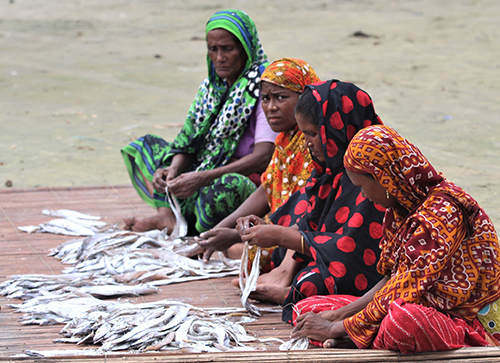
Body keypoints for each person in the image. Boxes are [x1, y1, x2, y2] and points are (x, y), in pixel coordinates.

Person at [291, 124, 500, 353]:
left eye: (362, 187)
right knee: (307, 309)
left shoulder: (442, 212)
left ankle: (361, 336)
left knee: (404, 324)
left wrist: (336, 328)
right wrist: (340, 315)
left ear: (384, 179)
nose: (363, 196)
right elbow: (394, 278)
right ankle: (363, 335)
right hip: (405, 302)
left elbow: (404, 290)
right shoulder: (401, 209)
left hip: (464, 320)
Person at [236, 80, 386, 323]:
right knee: (287, 243)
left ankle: (289, 292)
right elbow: (312, 223)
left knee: (310, 283)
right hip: (332, 251)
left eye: (314, 134)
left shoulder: (373, 173)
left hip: (367, 266)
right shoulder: (329, 169)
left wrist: (279, 236)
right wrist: (268, 230)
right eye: (303, 133)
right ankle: (286, 278)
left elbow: (353, 252)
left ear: (339, 129)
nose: (306, 143)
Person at [121, 9, 278, 234]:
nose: (220, 58)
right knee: (147, 147)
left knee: (229, 188)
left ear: (246, 49)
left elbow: (263, 156)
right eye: (213, 49)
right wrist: (172, 170)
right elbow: (189, 141)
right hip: (201, 172)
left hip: (235, 178)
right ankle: (167, 217)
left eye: (228, 49)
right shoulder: (210, 88)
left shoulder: (263, 88)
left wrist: (202, 177)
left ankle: (204, 232)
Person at [192, 58, 319, 272]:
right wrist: (217, 230)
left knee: (253, 251)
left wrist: (237, 235)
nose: (271, 107)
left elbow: (307, 209)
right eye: (265, 99)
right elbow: (266, 190)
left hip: (303, 233)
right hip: (281, 227)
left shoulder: (313, 143)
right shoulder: (285, 139)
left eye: (281, 97)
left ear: (305, 98)